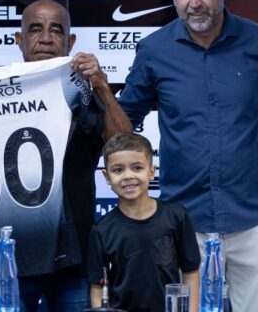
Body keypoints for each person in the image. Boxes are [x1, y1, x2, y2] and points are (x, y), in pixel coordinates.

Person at [117, 0, 258, 311]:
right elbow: (124, 126)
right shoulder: (153, 50)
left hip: (256, 217)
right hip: (183, 223)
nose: (194, 2)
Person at [0, 0, 132, 311]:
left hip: (75, 255)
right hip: (12, 256)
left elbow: (123, 146)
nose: (46, 38)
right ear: (19, 40)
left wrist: (101, 85)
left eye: (56, 30)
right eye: (35, 29)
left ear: (70, 42)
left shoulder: (84, 90)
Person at [86, 132, 201, 312]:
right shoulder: (102, 230)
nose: (128, 176)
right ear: (106, 177)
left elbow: (191, 273)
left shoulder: (177, 217)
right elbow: (97, 287)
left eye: (137, 167)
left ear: (152, 172)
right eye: (118, 170)